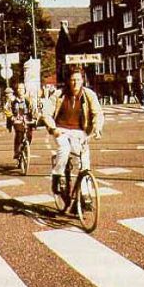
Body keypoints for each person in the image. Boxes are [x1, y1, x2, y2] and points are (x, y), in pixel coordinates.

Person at [41, 67, 104, 195]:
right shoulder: (59, 95)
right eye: (72, 80)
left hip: (80, 131)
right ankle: (57, 176)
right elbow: (46, 113)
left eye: (78, 80)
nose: (75, 83)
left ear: (82, 81)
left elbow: (98, 113)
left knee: (84, 160)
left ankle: (85, 195)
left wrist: (97, 128)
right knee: (64, 149)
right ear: (68, 81)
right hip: (61, 129)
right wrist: (53, 128)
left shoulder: (89, 95)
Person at [5, 83, 35, 160]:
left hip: (27, 119)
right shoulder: (12, 100)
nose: (20, 90)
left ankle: (25, 148)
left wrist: (35, 116)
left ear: (24, 90)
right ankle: (17, 151)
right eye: (19, 88)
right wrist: (11, 117)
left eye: (22, 88)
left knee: (29, 135)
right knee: (19, 133)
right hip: (17, 120)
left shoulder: (28, 100)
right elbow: (7, 109)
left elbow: (34, 109)